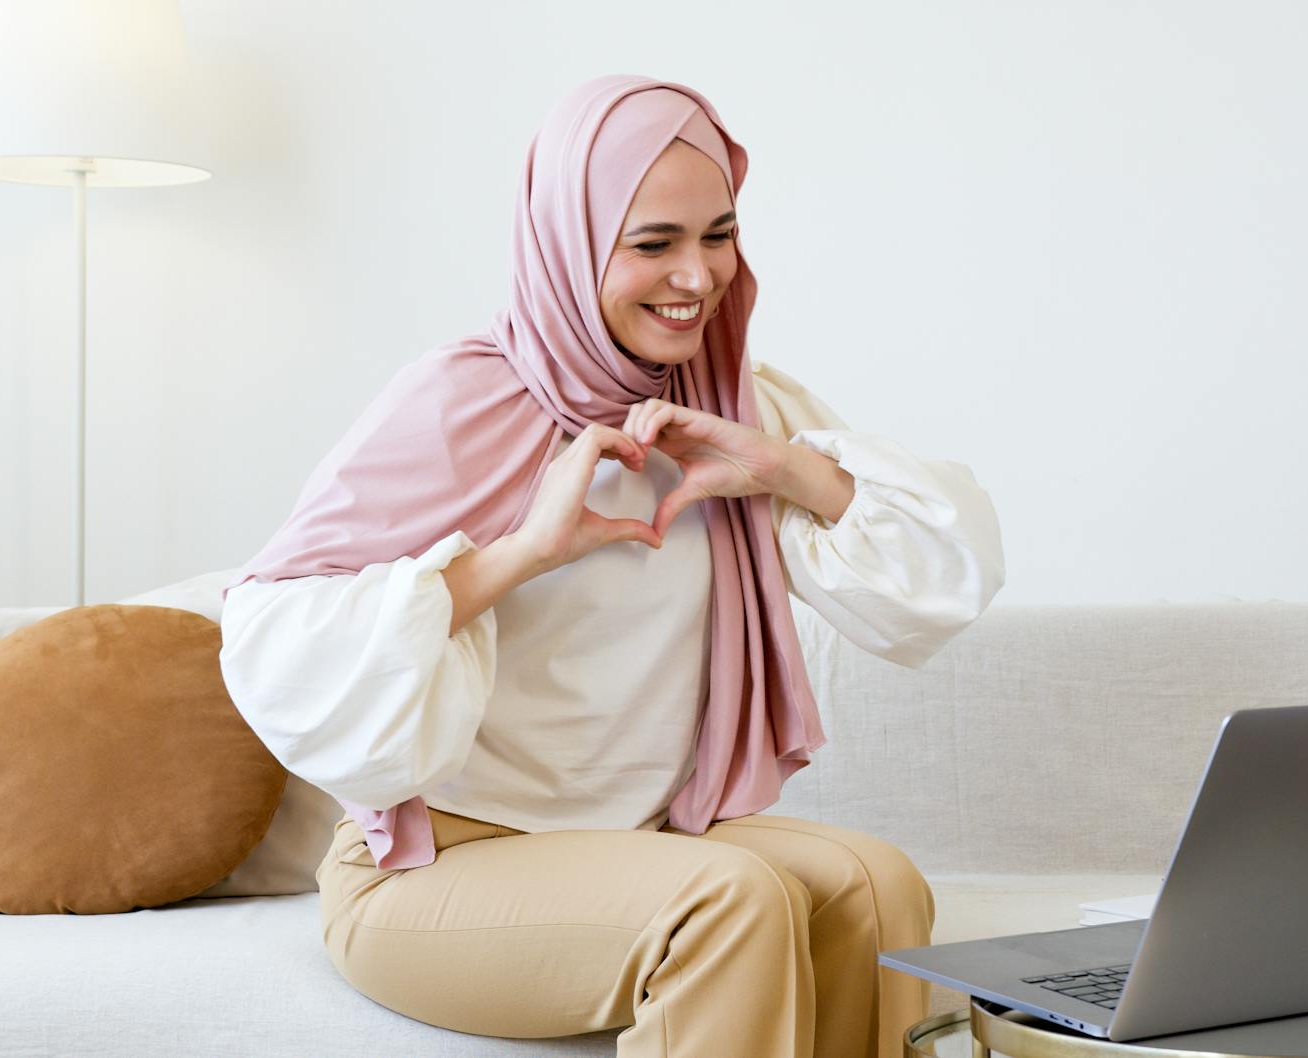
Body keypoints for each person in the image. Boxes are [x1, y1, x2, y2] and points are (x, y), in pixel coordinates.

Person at [216, 74, 1005, 1058]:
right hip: (431, 867)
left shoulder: (731, 403)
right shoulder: (457, 402)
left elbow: (938, 581)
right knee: (726, 899)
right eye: (652, 243)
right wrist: (523, 551)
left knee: (877, 883)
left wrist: (783, 466)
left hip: (638, 843)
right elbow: (269, 634)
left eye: (717, 236)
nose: (697, 276)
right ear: (567, 240)